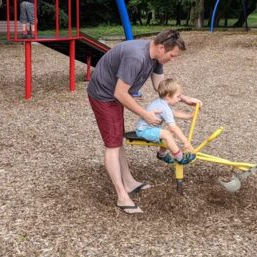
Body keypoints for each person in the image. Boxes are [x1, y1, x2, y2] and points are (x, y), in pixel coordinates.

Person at [86, 29, 201, 215]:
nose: (173, 59)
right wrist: (145, 114)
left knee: (117, 140)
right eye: (172, 55)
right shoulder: (136, 57)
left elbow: (160, 87)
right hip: (104, 96)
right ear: (161, 48)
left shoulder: (156, 57)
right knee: (112, 145)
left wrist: (183, 98)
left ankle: (128, 182)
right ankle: (122, 196)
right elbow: (120, 93)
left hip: (115, 95)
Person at [135, 78, 196, 165]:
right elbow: (173, 127)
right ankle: (180, 158)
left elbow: (174, 113)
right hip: (144, 131)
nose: (179, 99)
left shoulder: (162, 102)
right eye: (178, 96)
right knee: (166, 134)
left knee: (167, 132)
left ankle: (161, 154)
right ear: (168, 96)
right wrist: (185, 141)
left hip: (148, 129)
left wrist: (190, 116)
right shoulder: (164, 107)